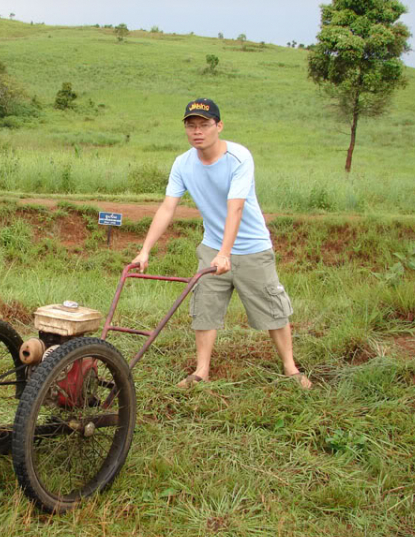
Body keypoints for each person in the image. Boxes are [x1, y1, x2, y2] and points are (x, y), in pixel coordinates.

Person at [132, 98, 311, 389]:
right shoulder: (183, 163)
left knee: (273, 308)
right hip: (212, 247)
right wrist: (145, 250)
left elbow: (235, 208)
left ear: (219, 126)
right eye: (191, 126)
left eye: (204, 125)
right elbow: (167, 207)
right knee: (204, 307)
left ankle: (291, 368)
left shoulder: (239, 158)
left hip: (252, 248)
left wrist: (226, 253)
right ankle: (201, 371)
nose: (197, 131)